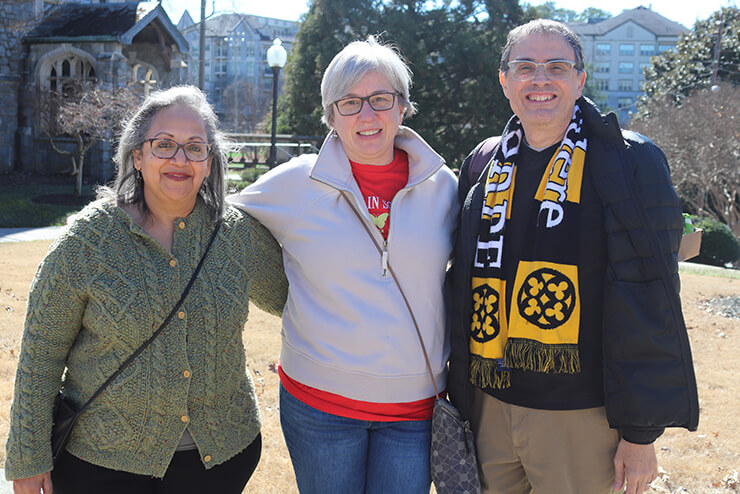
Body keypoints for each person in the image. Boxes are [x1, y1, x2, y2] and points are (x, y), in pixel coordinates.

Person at [447, 19, 699, 494]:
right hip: (488, 405)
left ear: (580, 79)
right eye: (525, 67)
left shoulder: (630, 161)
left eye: (556, 67)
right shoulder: (483, 163)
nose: (540, 80)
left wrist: (640, 434)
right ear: (504, 81)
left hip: (583, 417)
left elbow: (651, 300)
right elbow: (459, 283)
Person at [5, 86, 287, 494]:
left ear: (209, 163)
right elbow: (40, 355)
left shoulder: (237, 236)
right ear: (137, 156)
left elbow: (296, 299)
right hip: (101, 462)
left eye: (195, 148)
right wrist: (27, 459)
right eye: (164, 144)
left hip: (221, 458)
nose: (180, 159)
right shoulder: (88, 241)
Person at [228, 36, 458, 493]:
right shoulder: (296, 181)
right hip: (320, 407)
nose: (367, 115)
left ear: (403, 106)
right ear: (331, 115)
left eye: (380, 99)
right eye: (349, 102)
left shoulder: (444, 186)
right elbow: (214, 217)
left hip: (414, 409)